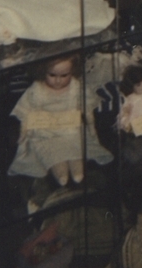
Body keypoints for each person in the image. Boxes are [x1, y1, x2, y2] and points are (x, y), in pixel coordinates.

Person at [9, 55, 112, 186]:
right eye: (52, 75)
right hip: (46, 130)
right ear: (43, 71)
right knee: (52, 152)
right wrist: (23, 131)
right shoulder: (37, 88)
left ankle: (76, 167)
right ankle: (59, 170)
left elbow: (87, 108)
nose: (58, 80)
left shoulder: (75, 86)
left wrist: (91, 127)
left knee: (76, 147)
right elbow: (26, 111)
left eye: (64, 75)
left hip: (70, 127)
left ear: (72, 72)